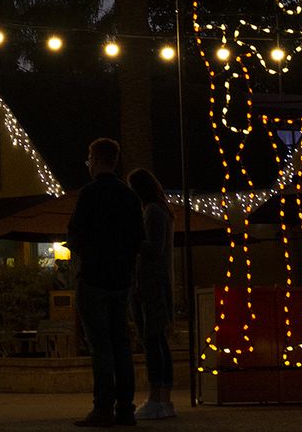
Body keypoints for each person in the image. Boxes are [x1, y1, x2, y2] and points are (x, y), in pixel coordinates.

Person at [66, 137, 144, 428]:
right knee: (121, 344)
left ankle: (103, 408)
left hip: (95, 278)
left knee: (100, 346)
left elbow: (76, 234)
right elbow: (138, 237)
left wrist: (84, 252)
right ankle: (125, 408)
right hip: (121, 280)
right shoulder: (129, 196)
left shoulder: (89, 194)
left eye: (88, 158)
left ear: (96, 160)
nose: (87, 163)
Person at [127, 169, 175, 421]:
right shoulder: (161, 211)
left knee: (153, 342)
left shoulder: (152, 212)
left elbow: (153, 250)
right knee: (158, 342)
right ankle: (163, 398)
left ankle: (156, 398)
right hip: (155, 284)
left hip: (150, 285)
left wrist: (131, 239)